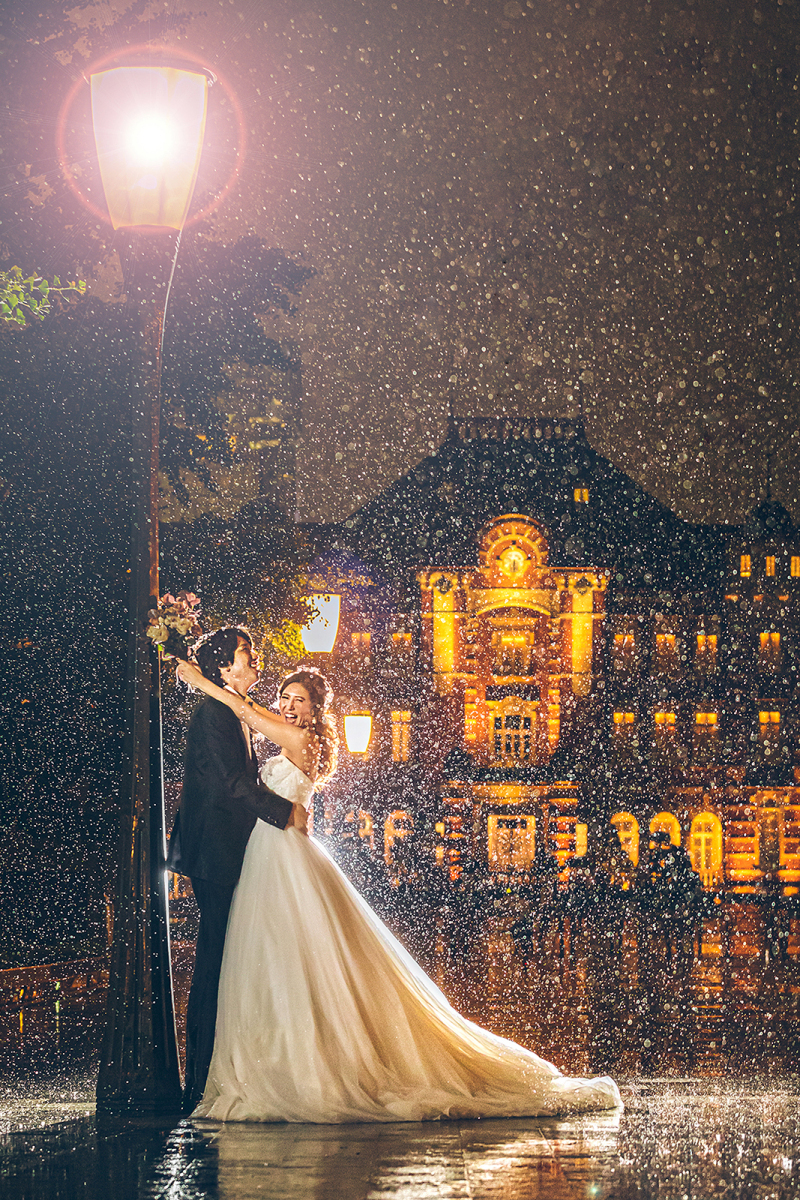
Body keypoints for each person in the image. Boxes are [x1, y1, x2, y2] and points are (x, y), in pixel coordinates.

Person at [175, 657, 621, 1122]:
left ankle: (292, 1058)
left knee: (286, 948)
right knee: (283, 951)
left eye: (299, 701)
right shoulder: (300, 736)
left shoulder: (299, 740)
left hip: (281, 852)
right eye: (284, 698)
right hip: (272, 850)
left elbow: (245, 712)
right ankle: (282, 1049)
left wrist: (201, 680)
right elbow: (251, 719)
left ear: (314, 710)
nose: (288, 706)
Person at [166, 628, 308, 1112]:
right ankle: (200, 1077)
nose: (255, 658)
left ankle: (220, 1068)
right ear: (226, 666)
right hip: (215, 852)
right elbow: (231, 782)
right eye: (247, 653)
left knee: (229, 958)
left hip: (228, 849)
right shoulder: (214, 713)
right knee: (214, 960)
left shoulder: (231, 708)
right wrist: (284, 813)